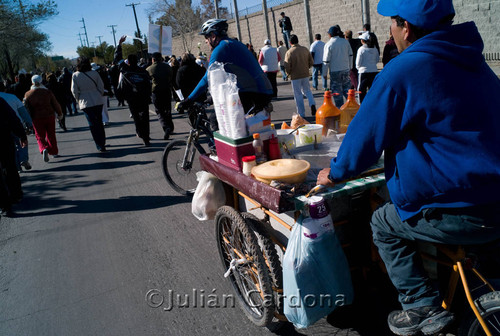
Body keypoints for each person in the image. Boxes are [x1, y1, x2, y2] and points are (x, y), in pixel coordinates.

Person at [316, 0, 500, 335]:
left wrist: (335, 172)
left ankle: (419, 304)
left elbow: (363, 141)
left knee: (383, 222)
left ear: (406, 28)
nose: (391, 29)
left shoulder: (404, 69)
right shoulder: (474, 61)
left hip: (458, 210)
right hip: (496, 199)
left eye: (392, 22)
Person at [179, 19, 273, 115]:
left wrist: (188, 99)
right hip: (263, 90)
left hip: (251, 93)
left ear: (213, 36)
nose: (205, 41)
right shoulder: (236, 44)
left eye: (206, 37)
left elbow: (207, 78)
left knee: (216, 121)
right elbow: (230, 76)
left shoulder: (220, 49)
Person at [114, 35, 152, 146]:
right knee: (145, 117)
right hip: (143, 98)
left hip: (132, 98)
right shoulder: (143, 71)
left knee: (136, 117)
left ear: (128, 62)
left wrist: (119, 44)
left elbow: (117, 58)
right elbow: (148, 84)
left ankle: (140, 133)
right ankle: (146, 137)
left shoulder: (126, 70)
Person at [24, 75, 63, 162]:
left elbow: (25, 107)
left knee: (39, 135)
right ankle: (53, 152)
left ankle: (43, 148)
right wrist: (60, 113)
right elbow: (55, 103)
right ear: (41, 81)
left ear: (32, 82)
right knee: (51, 134)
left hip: (36, 117)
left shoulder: (28, 94)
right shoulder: (47, 92)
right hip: (49, 115)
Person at [71, 57, 107, 152]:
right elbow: (101, 86)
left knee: (92, 124)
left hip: (85, 102)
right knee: (99, 122)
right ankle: (102, 142)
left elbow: (74, 91)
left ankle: (99, 144)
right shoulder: (94, 73)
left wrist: (78, 99)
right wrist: (99, 94)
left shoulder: (75, 75)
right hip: (97, 99)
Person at [0, 97, 27, 216]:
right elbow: (12, 118)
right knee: (10, 167)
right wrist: (21, 135)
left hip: (4, 139)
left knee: (9, 167)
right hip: (4, 139)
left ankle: (4, 205)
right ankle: (16, 194)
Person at [0, 82, 32, 171]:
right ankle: (23, 159)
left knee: (10, 149)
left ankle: (16, 166)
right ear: (4, 88)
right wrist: (29, 123)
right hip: (16, 124)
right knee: (21, 143)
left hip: (3, 130)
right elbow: (22, 111)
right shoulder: (12, 97)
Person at [284, 34, 316, 117]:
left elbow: (287, 66)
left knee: (298, 94)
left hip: (295, 76)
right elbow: (311, 62)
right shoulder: (305, 49)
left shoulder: (289, 52)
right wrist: (307, 67)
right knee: (307, 90)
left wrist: (288, 73)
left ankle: (301, 113)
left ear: (290, 42)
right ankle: (312, 103)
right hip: (305, 74)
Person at [323, 25, 353, 108]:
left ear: (330, 35)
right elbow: (351, 55)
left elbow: (326, 60)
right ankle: (351, 108)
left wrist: (324, 73)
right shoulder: (345, 42)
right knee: (347, 92)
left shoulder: (329, 44)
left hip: (335, 71)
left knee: (337, 94)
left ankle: (340, 111)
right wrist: (350, 67)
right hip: (346, 70)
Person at [147, 52, 174, 140]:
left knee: (159, 111)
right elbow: (171, 76)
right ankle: (170, 127)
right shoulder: (167, 66)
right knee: (167, 109)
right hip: (166, 90)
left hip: (156, 91)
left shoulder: (149, 69)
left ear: (153, 59)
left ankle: (166, 127)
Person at [356, 32, 379, 103]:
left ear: (363, 40)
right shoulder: (375, 49)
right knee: (372, 90)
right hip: (373, 71)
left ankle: (361, 105)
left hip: (363, 72)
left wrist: (358, 68)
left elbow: (358, 63)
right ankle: (373, 103)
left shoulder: (361, 49)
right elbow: (377, 60)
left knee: (361, 90)